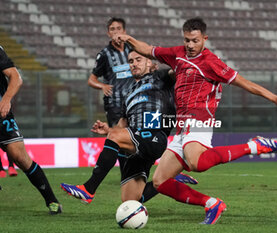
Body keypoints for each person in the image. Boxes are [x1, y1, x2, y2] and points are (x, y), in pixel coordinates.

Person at [116, 17, 277, 224]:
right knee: (160, 181)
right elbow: (148, 50)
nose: (190, 45)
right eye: (187, 40)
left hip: (199, 117)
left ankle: (255, 146)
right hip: (182, 126)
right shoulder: (177, 54)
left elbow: (245, 83)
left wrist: (275, 98)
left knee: (197, 162)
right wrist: (128, 38)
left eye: (195, 40)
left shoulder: (211, 62)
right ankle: (211, 203)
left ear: (204, 39)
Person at [61, 51, 197, 204]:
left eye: (139, 59)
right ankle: (168, 178)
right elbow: (122, 126)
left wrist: (188, 55)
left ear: (149, 63)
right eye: (131, 61)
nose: (134, 63)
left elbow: (180, 70)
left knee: (115, 138)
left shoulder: (161, 77)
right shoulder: (129, 93)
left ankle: (88, 189)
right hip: (136, 142)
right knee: (130, 201)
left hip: (153, 136)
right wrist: (108, 130)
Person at [0, 45, 62, 214]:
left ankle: (52, 201)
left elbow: (15, 77)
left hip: (1, 115)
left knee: (20, 157)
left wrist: (6, 99)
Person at [87, 17, 134, 127]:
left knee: (134, 136)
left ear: (124, 31)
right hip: (115, 104)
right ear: (108, 33)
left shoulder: (132, 50)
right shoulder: (104, 54)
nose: (116, 31)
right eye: (112, 29)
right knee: (118, 136)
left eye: (118, 28)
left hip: (133, 101)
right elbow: (91, 80)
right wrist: (102, 86)